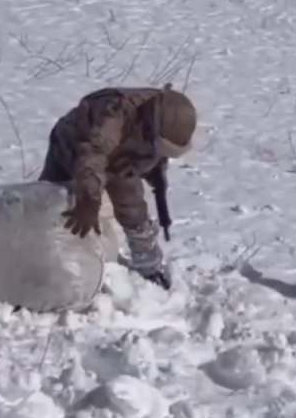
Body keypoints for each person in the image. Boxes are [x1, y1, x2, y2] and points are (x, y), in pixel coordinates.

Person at [39, 84, 196, 290]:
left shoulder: (166, 117)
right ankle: (39, 256)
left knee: (132, 208)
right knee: (51, 201)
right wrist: (89, 198)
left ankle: (148, 267)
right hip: (74, 141)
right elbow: (91, 158)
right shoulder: (112, 117)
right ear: (152, 125)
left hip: (124, 153)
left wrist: (157, 175)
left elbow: (155, 151)